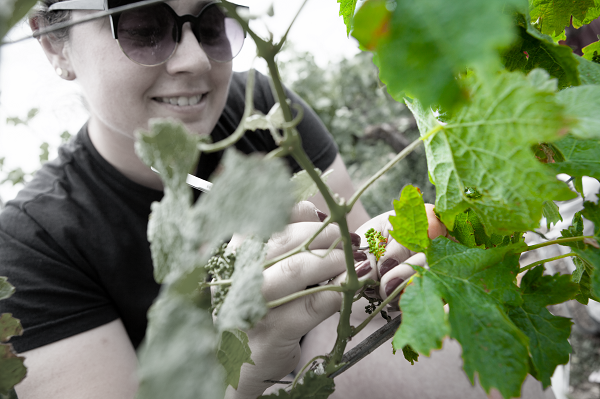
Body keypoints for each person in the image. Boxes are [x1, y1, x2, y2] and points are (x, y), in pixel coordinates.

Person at [0, 0, 554, 398]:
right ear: (54, 45)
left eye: (213, 23)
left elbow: (361, 265)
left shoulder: (265, 109)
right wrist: (244, 368)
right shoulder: (31, 243)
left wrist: (396, 264)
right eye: (144, 27)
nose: (194, 59)